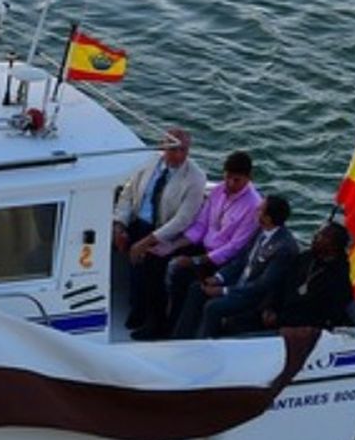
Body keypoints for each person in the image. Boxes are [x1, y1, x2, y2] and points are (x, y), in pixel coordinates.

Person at [150, 151, 263, 340]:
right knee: (160, 260)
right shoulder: (218, 191)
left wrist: (196, 261)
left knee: (193, 284)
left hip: (224, 262)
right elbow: (201, 225)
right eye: (227, 178)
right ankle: (161, 321)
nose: (230, 184)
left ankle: (180, 336)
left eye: (237, 180)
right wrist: (174, 245)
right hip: (204, 249)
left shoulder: (253, 205)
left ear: (248, 178)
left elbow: (235, 247)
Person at [113, 127, 208, 332]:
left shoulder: (195, 179)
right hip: (139, 222)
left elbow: (183, 219)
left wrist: (148, 241)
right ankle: (136, 309)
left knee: (153, 276)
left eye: (183, 150)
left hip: (165, 231)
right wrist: (120, 224)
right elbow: (129, 193)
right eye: (173, 149)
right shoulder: (148, 162)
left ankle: (156, 323)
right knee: (133, 268)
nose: (179, 155)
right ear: (163, 147)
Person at [177, 193, 298, 339]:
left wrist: (223, 291)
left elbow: (263, 285)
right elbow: (241, 260)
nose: (255, 211)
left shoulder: (284, 247)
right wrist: (218, 277)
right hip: (240, 284)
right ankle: (182, 337)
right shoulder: (260, 231)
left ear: (268, 218)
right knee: (197, 289)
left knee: (213, 307)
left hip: (253, 295)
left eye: (259, 210)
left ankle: (206, 343)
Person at [262, 221, 355, 331]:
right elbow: (280, 283)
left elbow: (321, 316)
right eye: (317, 233)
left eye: (321, 235)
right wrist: (269, 307)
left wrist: (280, 319)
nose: (315, 237)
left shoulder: (338, 279)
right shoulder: (305, 258)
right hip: (276, 314)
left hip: (296, 326)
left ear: (334, 245)